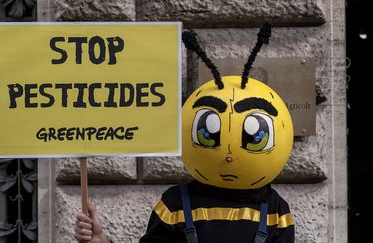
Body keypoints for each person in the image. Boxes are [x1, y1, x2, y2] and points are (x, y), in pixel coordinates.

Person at [74, 24, 295, 243]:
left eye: (255, 138)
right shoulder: (175, 204)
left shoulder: (276, 211)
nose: (228, 154)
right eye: (208, 134)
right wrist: (100, 240)